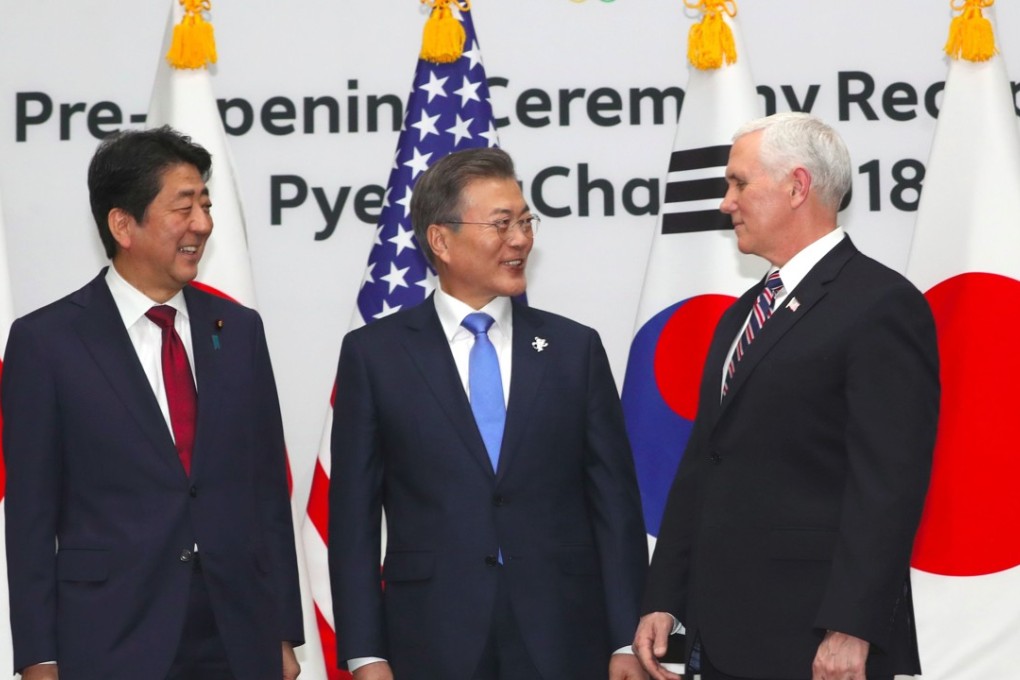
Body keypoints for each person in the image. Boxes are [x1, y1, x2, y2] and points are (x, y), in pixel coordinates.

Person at [633, 113, 939, 680]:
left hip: (818, 640)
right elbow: (704, 462)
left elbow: (888, 486)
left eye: (739, 183)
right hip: (722, 634)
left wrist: (853, 626)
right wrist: (664, 596)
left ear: (798, 187)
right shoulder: (740, 315)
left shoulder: (881, 305)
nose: (726, 202)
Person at [328, 147, 648, 680]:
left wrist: (625, 637)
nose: (520, 239)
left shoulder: (575, 349)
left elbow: (615, 508)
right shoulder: (374, 355)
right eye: (501, 224)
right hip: (430, 637)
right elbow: (353, 518)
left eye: (525, 221)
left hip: (565, 635)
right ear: (440, 240)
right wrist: (366, 654)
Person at [2, 126, 303, 680]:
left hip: (237, 634)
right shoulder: (46, 343)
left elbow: (265, 489)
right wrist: (39, 658)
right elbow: (29, 515)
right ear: (123, 224)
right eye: (183, 207)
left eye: (206, 206)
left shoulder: (237, 330)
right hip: (112, 635)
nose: (203, 225)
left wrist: (283, 629)